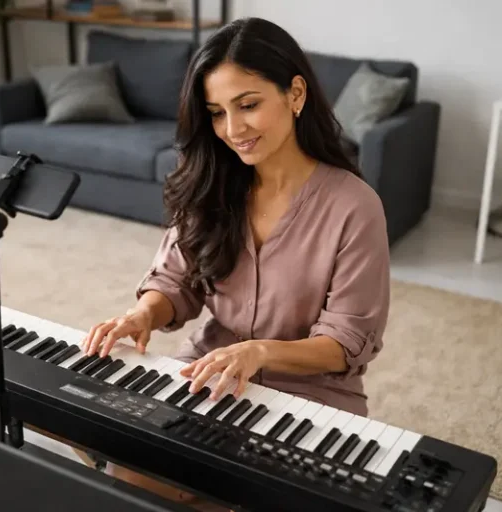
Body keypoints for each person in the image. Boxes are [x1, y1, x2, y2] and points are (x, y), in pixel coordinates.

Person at [77, 16, 390, 511]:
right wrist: (143, 315)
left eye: (248, 105)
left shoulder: (355, 207)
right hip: (207, 376)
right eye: (216, 113)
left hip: (311, 399)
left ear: (295, 94)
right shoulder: (209, 181)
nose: (232, 129)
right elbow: (176, 280)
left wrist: (258, 352)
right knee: (127, 470)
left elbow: (345, 342)